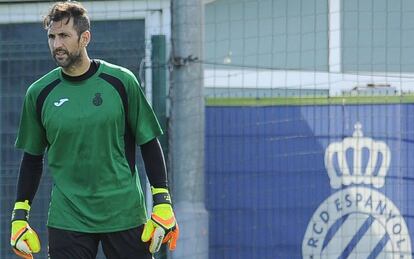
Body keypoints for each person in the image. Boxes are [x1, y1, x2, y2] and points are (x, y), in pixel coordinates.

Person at [10, 1, 179, 258]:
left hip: (124, 213)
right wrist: (19, 217)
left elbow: (148, 142)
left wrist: (163, 202)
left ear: (85, 37)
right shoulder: (39, 93)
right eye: (52, 37)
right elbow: (32, 159)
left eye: (64, 36)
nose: (57, 45)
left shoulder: (122, 82)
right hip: (68, 217)